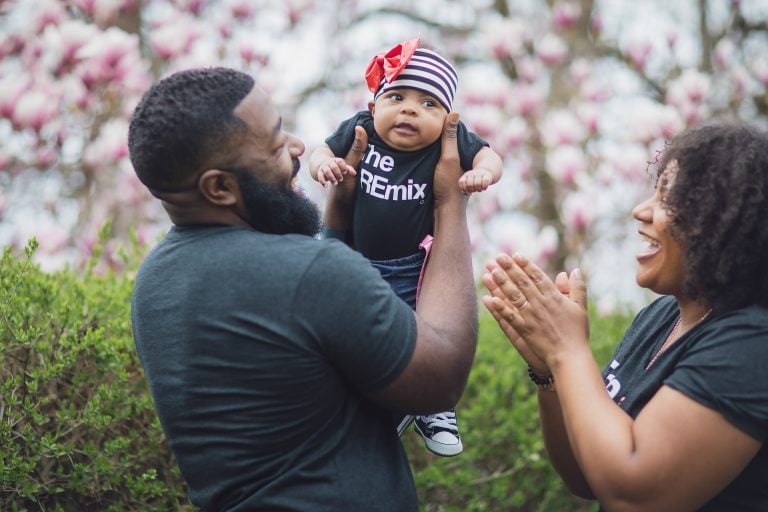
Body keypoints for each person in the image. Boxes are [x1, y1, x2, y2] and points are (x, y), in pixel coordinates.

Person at [127, 66, 478, 512]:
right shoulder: (308, 275)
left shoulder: (155, 282)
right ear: (219, 188)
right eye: (275, 144)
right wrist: (449, 202)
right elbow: (441, 378)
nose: (297, 148)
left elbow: (305, 341)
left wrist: (340, 210)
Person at [482, 123, 768, 511]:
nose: (641, 209)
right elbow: (587, 477)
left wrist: (568, 351)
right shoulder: (660, 317)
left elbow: (632, 496)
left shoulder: (753, 344)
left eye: (669, 196)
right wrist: (550, 371)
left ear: (727, 217)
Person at [308, 37, 503, 457]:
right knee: (356, 334)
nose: (411, 109)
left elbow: (490, 156)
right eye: (397, 96)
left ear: (448, 119)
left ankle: (432, 408)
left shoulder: (444, 146)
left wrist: (482, 175)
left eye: (429, 103)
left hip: (414, 267)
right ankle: (374, 403)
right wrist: (324, 163)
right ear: (375, 107)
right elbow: (321, 149)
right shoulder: (361, 129)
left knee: (418, 335)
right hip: (358, 259)